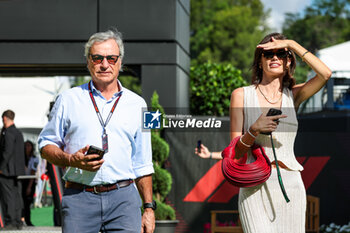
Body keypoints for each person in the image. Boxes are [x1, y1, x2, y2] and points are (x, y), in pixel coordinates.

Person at [195, 32, 332, 233]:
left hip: (290, 185)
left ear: (288, 62)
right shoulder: (241, 95)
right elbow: (235, 153)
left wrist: (292, 43)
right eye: (268, 54)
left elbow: (325, 74)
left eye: (281, 54)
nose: (275, 57)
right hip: (254, 185)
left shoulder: (293, 95)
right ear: (260, 62)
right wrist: (253, 130)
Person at [38, 28, 155, 233]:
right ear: (88, 61)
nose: (104, 64)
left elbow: (143, 161)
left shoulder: (139, 104)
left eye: (111, 58)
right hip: (79, 197)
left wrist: (148, 208)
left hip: (124, 200)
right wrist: (70, 159)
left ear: (120, 62)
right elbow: (45, 146)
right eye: (97, 58)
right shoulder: (67, 99)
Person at [0, 110, 26, 230]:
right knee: (17, 195)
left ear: (5, 118)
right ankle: (18, 220)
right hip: (18, 171)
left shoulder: (8, 133)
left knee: (8, 196)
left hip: (7, 171)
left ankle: (10, 221)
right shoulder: (19, 133)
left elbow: (7, 152)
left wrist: (1, 167)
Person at [21, 140, 39, 226]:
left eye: (28, 146)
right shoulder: (20, 158)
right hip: (21, 180)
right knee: (21, 202)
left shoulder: (35, 159)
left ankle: (28, 220)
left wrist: (29, 187)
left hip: (30, 181)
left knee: (28, 203)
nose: (26, 148)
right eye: (25, 146)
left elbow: (33, 172)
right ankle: (21, 219)